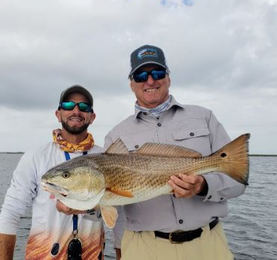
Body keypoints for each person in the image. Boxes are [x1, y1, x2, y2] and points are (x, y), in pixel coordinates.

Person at [104, 45, 247, 260]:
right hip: (142, 248)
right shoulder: (116, 136)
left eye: (158, 73)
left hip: (208, 245)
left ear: (168, 78)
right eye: (141, 75)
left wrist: (203, 186)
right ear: (132, 83)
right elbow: (115, 204)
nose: (150, 81)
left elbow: (238, 183)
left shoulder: (204, 117)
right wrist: (119, 247)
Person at [0, 85, 105, 260]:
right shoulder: (35, 157)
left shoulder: (104, 157)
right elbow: (10, 213)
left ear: (92, 117)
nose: (76, 111)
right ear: (58, 114)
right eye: (69, 105)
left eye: (84, 107)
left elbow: (117, 214)